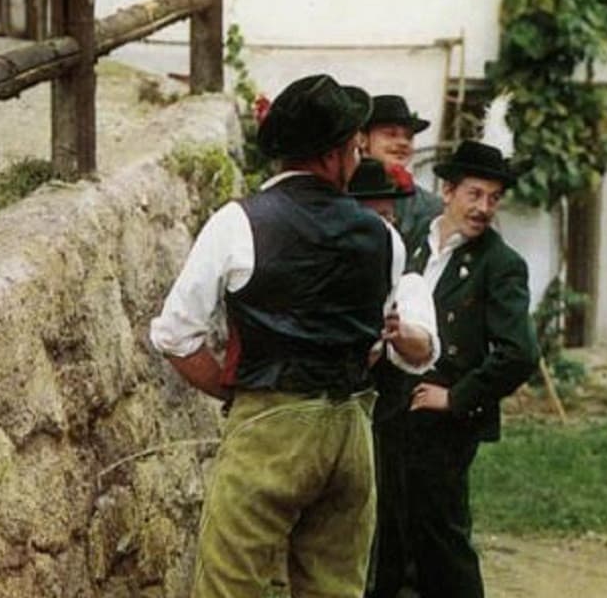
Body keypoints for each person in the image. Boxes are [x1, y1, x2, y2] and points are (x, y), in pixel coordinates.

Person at [149, 74, 420, 598]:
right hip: (350, 427)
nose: (358, 157)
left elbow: (176, 335)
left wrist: (235, 393)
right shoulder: (385, 238)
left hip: (269, 426)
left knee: (230, 587)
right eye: (354, 147)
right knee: (335, 589)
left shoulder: (238, 223)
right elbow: (374, 341)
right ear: (334, 155)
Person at [369, 139, 538, 598]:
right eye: (474, 194)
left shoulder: (500, 264)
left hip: (443, 423)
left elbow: (519, 353)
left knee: (441, 538)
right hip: (392, 409)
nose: (483, 208)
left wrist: (456, 397)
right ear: (447, 191)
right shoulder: (411, 243)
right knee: (388, 532)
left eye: (494, 198)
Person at [346, 157, 440, 597]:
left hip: (382, 430)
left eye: (387, 217)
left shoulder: (406, 283)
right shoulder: (321, 276)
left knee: (382, 535)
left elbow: (423, 347)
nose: (381, 228)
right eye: (370, 217)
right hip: (319, 429)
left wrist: (398, 333)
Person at [363, 94, 443, 251]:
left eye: (409, 137)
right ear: (363, 140)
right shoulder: (339, 193)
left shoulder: (431, 207)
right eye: (390, 134)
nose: (403, 143)